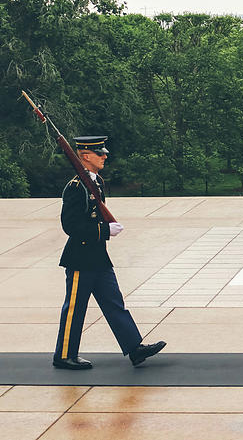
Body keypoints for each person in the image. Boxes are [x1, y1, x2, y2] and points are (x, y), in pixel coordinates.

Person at [52, 136, 166, 370]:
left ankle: (134, 348)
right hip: (80, 258)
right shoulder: (75, 187)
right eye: (99, 153)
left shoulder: (97, 182)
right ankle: (64, 355)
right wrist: (104, 230)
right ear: (85, 156)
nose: (105, 156)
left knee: (114, 303)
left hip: (98, 258)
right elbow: (70, 226)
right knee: (75, 308)